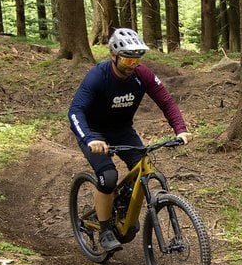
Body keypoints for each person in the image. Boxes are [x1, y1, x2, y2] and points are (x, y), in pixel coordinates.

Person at [68, 28, 190, 253]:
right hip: (94, 132)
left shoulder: (142, 75)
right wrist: (89, 138)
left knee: (145, 169)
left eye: (136, 59)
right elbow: (75, 111)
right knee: (108, 177)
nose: (131, 65)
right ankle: (105, 229)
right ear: (113, 56)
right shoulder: (98, 76)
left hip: (122, 130)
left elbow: (167, 102)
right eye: (126, 59)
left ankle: (122, 207)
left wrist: (180, 129)